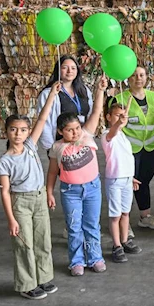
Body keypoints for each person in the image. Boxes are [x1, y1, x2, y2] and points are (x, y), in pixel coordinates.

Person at [0, 83, 61, 299]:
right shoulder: (5, 161)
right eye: (13, 129)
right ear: (6, 131)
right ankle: (26, 285)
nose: (18, 134)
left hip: (39, 198)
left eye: (23, 130)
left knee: (43, 240)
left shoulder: (31, 146)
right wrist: (11, 219)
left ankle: (43, 278)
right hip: (20, 203)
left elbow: (42, 119)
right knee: (24, 244)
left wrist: (52, 95)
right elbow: (5, 192)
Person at [45, 76, 108, 276]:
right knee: (74, 227)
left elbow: (96, 111)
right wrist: (49, 192)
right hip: (70, 192)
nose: (75, 133)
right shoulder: (57, 147)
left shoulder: (87, 135)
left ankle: (95, 257)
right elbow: (52, 171)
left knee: (92, 225)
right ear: (60, 131)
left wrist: (100, 90)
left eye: (77, 128)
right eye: (69, 130)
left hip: (92, 188)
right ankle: (76, 261)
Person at [114, 66, 154, 233]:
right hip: (130, 149)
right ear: (128, 78)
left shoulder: (153, 96)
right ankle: (122, 222)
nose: (138, 78)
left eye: (141, 75)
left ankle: (145, 217)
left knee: (143, 181)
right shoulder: (120, 98)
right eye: (134, 75)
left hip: (152, 147)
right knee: (128, 183)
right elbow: (115, 126)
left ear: (146, 77)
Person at [101, 101, 143, 263]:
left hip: (126, 179)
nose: (121, 118)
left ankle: (125, 241)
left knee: (126, 212)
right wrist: (119, 123)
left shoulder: (123, 136)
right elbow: (112, 132)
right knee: (115, 215)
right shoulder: (107, 135)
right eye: (117, 115)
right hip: (114, 180)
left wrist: (130, 177)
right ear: (108, 117)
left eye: (123, 116)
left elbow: (125, 159)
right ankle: (116, 245)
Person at [36, 56, 93, 152]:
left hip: (83, 140)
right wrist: (50, 148)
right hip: (61, 144)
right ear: (58, 70)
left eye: (73, 68)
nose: (69, 71)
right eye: (65, 67)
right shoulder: (48, 93)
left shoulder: (84, 90)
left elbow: (91, 113)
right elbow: (44, 121)